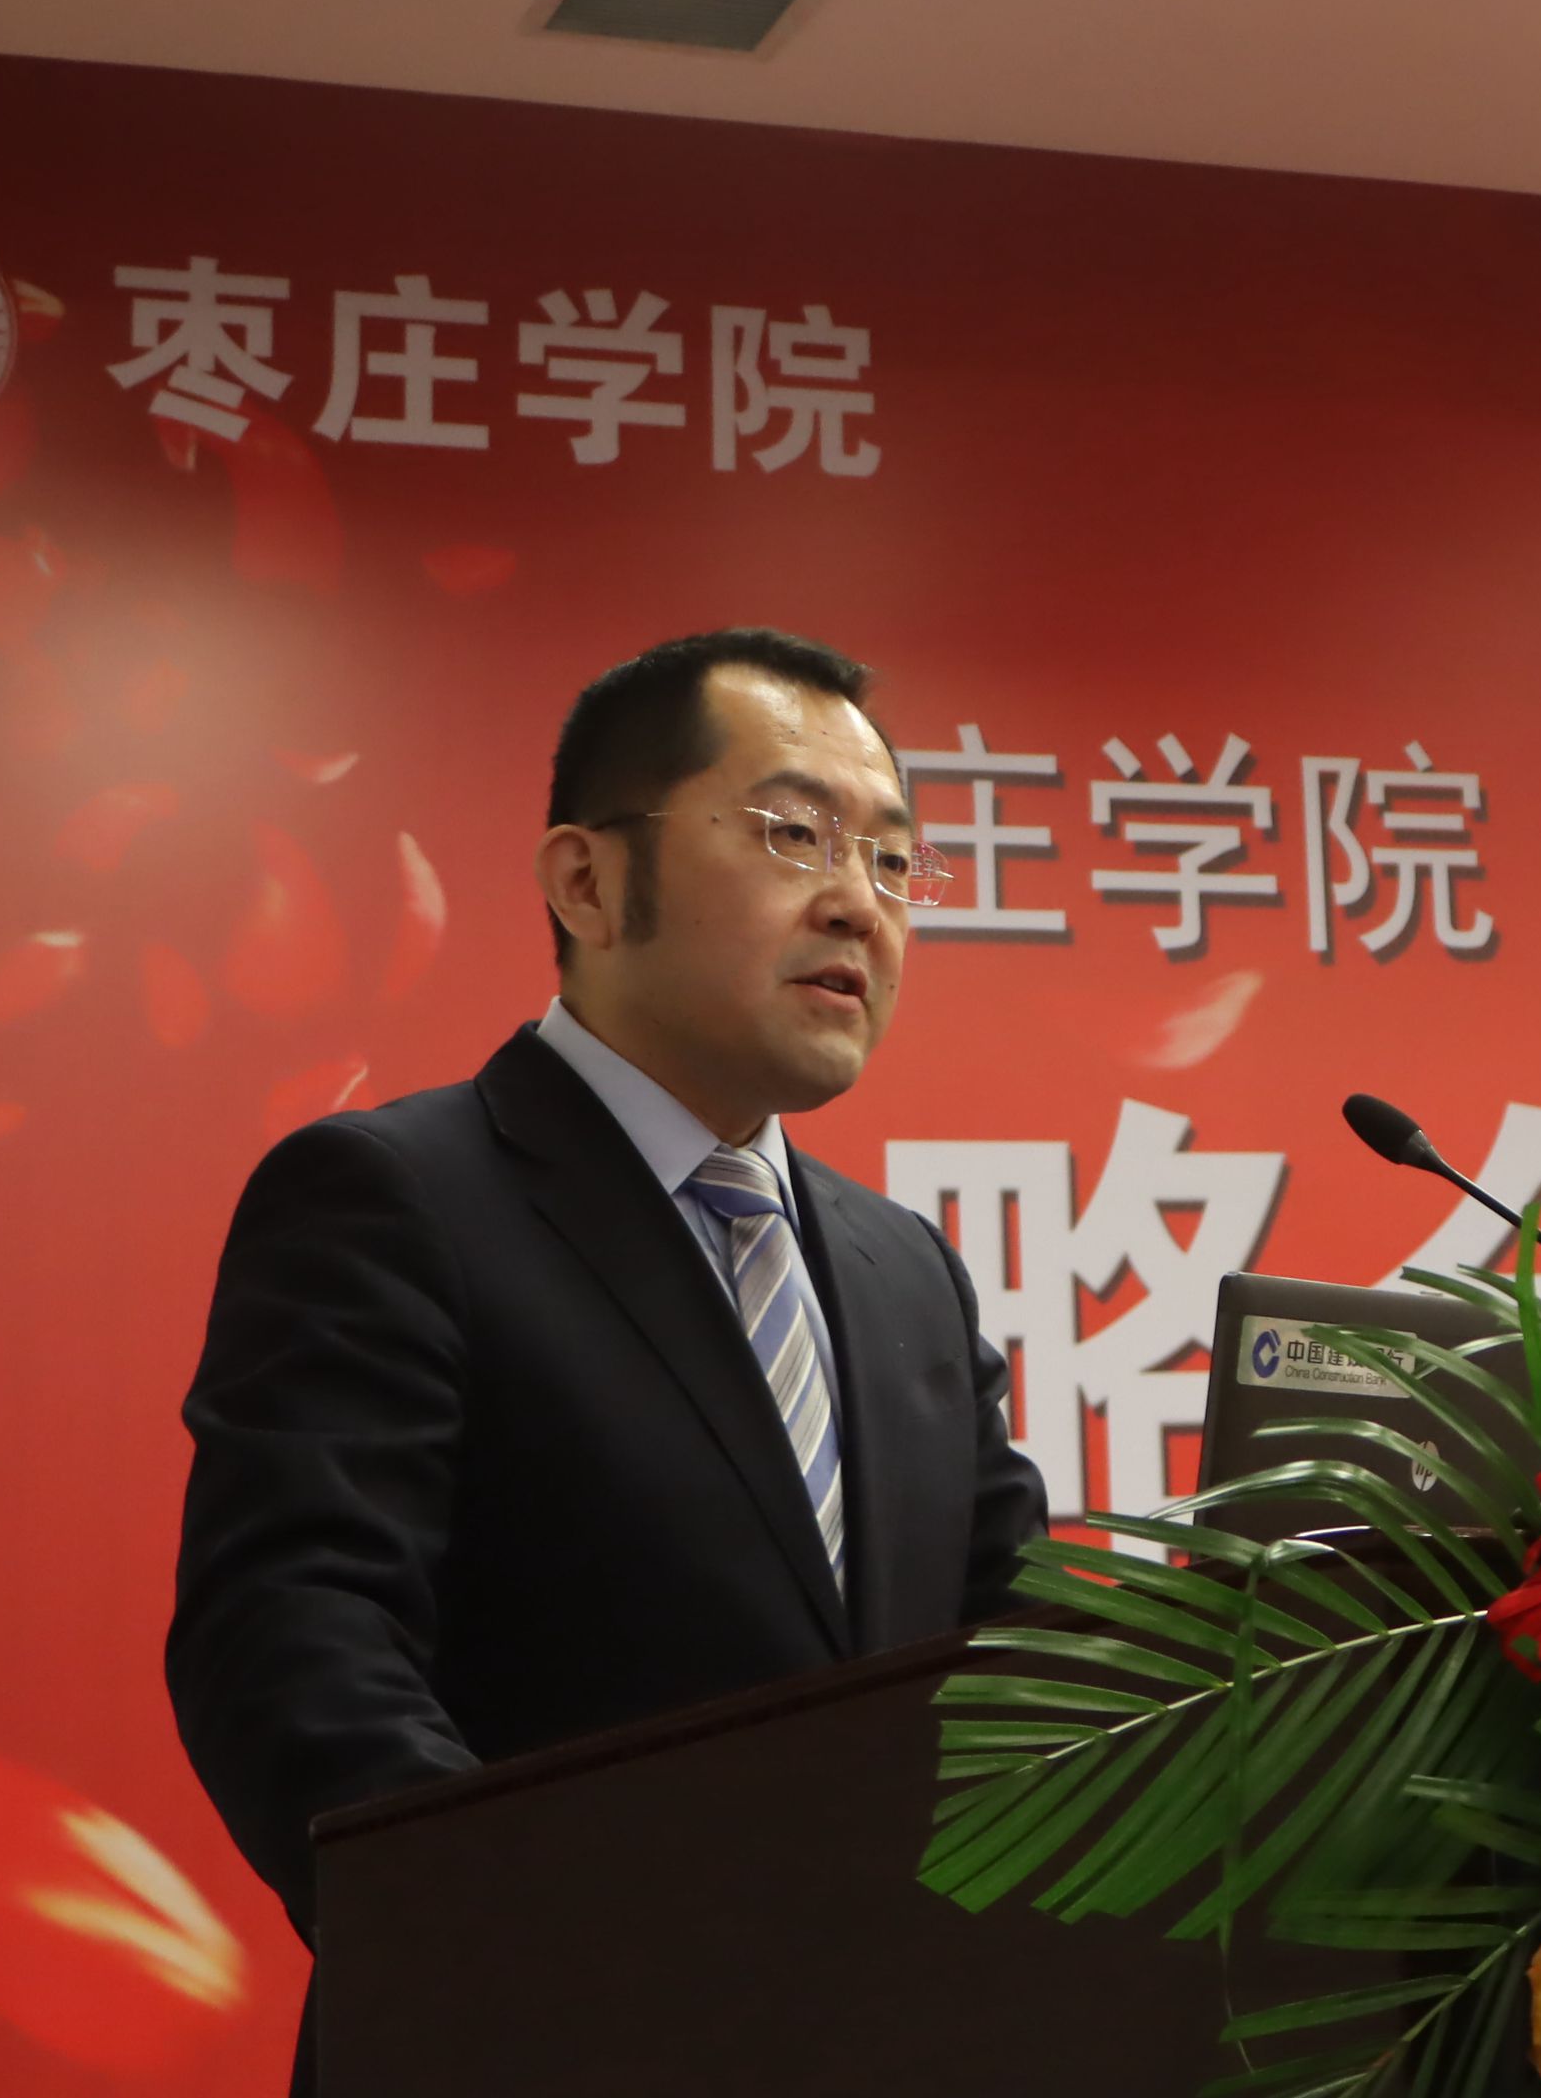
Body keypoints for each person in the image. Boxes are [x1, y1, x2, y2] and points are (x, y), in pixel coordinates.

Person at [166, 629, 1049, 2065]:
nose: (858, 903)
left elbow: (1027, 1672)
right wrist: (551, 1971)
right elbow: (295, 1645)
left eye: (893, 861)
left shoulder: (907, 1276)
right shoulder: (394, 1199)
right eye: (794, 834)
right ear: (585, 882)